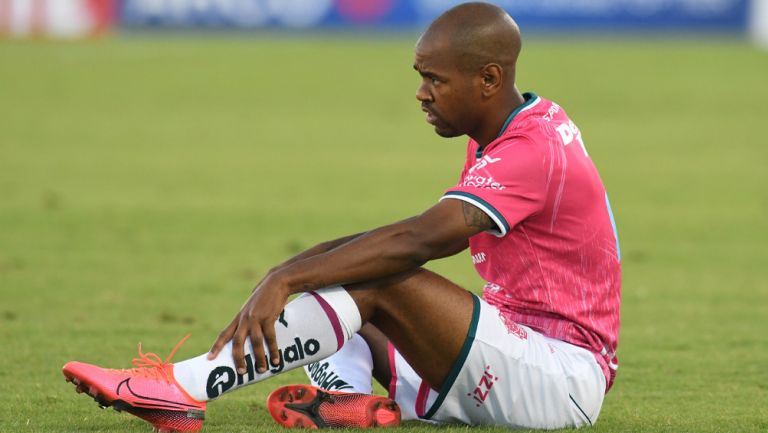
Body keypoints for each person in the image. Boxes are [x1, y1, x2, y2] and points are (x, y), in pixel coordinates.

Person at [63, 2, 621, 431]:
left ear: (490, 79)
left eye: (436, 80)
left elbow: (421, 239)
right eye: (420, 75)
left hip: (560, 377)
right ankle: (348, 404)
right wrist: (288, 269)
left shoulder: (531, 150)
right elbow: (393, 239)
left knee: (384, 278)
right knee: (352, 275)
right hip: (517, 354)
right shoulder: (511, 127)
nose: (422, 94)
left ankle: (177, 390)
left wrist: (288, 279)